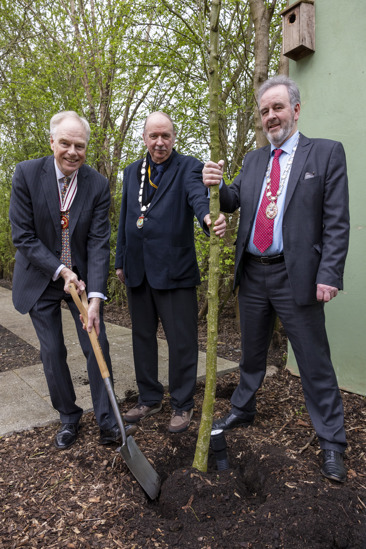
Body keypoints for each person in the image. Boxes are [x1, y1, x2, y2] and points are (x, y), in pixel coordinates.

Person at [203, 76, 350, 483]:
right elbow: (235, 200)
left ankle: (332, 443)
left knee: (314, 361)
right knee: (250, 353)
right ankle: (243, 407)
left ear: (296, 110)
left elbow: (337, 223)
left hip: (296, 275)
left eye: (278, 108)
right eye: (265, 110)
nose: (271, 116)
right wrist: (215, 184)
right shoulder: (253, 161)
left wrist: (329, 274)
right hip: (252, 274)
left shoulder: (325, 154)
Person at [9, 111, 135, 450]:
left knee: (97, 344)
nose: (72, 152)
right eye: (65, 143)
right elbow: (23, 236)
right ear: (52, 142)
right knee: (52, 351)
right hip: (41, 277)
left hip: (81, 281)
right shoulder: (26, 174)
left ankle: (107, 420)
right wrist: (61, 271)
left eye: (79, 145)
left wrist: (94, 298)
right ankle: (68, 416)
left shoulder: (96, 184)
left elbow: (98, 243)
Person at [115, 111, 226, 433]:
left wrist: (208, 217)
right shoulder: (132, 171)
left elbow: (198, 197)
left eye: (165, 136)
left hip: (175, 271)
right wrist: (121, 260)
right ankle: (149, 398)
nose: (159, 142)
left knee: (181, 342)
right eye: (154, 136)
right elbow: (125, 218)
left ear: (173, 137)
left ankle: (182, 404)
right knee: (142, 338)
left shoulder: (188, 167)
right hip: (138, 270)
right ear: (145, 137)